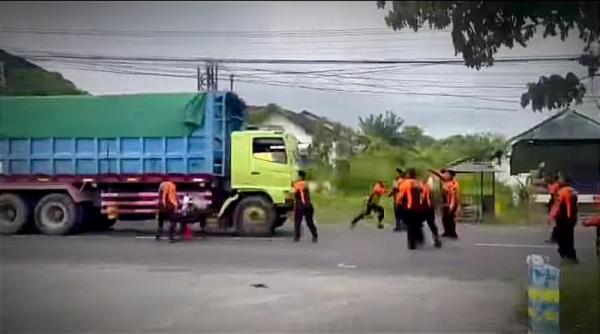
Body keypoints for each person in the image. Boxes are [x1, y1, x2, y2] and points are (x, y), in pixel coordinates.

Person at [550, 176, 579, 263]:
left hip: (563, 218)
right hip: (572, 218)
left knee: (561, 238)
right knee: (570, 238)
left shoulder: (562, 192)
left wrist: (552, 216)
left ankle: (565, 255)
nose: (559, 181)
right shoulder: (573, 191)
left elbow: (557, 205)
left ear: (564, 182)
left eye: (561, 180)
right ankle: (572, 256)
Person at [397, 168, 426, 250]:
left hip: (409, 207)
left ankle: (411, 244)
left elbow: (401, 196)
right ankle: (420, 237)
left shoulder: (405, 183)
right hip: (420, 207)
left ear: (408, 174)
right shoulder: (420, 183)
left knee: (410, 226)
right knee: (417, 224)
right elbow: (424, 194)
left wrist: (399, 204)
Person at [430, 169, 460, 239]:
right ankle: (447, 232)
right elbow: (440, 175)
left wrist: (451, 205)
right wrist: (432, 170)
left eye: (447, 174)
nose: (445, 175)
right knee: (445, 218)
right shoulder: (446, 181)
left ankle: (452, 233)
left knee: (450, 218)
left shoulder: (453, 184)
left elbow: (453, 196)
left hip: (450, 203)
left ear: (450, 176)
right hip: (445, 202)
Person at [293, 170, 318, 243]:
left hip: (300, 205)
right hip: (308, 205)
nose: (297, 177)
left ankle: (297, 237)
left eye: (298, 176)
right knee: (309, 222)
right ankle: (315, 236)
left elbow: (295, 195)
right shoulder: (307, 184)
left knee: (297, 221)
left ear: (300, 176)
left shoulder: (297, 184)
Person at [422, 177, 442, 248]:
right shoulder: (429, 188)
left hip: (423, 208)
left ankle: (436, 238)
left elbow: (427, 198)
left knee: (417, 223)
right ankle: (436, 238)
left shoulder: (425, 187)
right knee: (431, 224)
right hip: (428, 208)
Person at [545, 173, 561, 243]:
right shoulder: (556, 185)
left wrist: (549, 205)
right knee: (557, 223)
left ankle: (554, 238)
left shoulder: (554, 186)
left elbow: (552, 197)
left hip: (556, 205)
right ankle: (555, 237)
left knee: (555, 223)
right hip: (557, 204)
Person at [390, 167, 405, 232]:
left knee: (397, 213)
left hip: (397, 199)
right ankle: (404, 226)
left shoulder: (396, 181)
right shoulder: (405, 180)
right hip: (404, 199)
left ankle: (398, 226)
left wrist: (390, 194)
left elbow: (394, 189)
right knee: (403, 212)